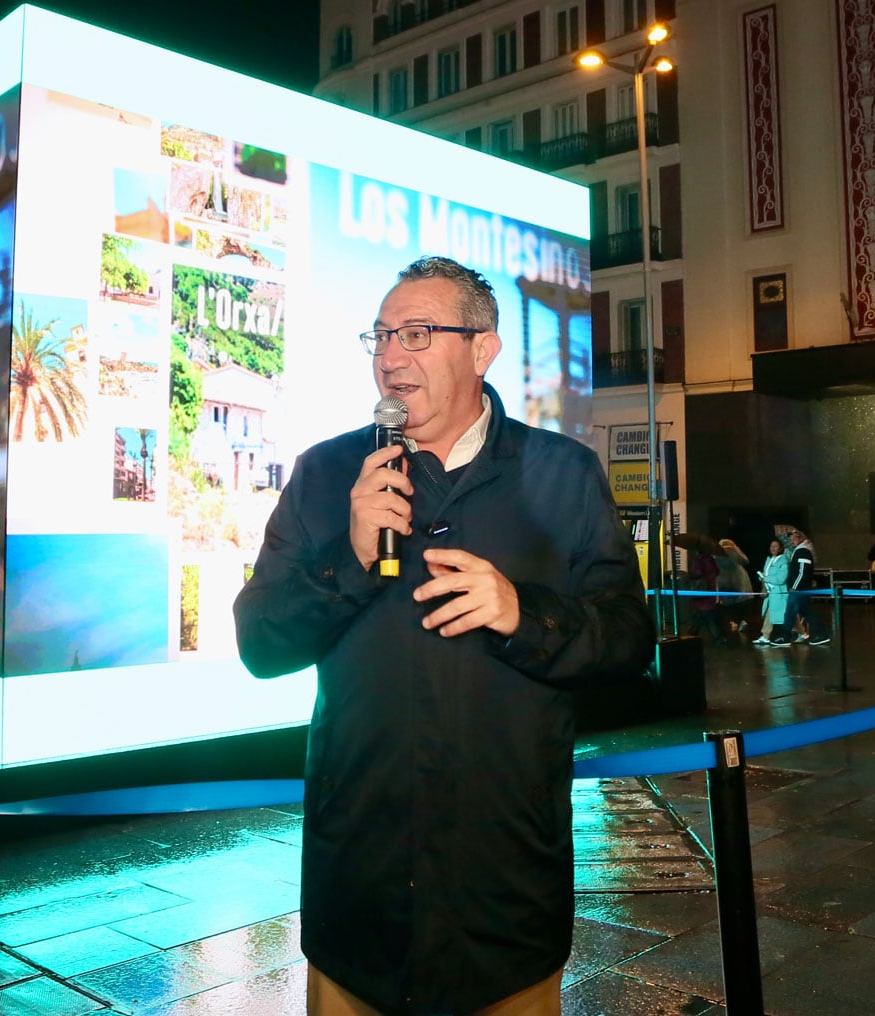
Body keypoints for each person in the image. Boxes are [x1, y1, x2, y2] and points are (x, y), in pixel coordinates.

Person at [233, 256, 650, 1014]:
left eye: (418, 334)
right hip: (359, 894)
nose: (391, 357)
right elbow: (260, 643)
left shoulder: (564, 473)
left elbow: (628, 641)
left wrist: (524, 613)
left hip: (505, 898)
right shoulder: (328, 474)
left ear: (482, 348)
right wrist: (350, 559)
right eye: (382, 336)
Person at [777, 528, 824, 646]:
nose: (791, 540)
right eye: (790, 538)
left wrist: (795, 587)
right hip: (801, 589)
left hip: (799, 589)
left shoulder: (803, 551)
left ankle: (785, 637)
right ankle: (821, 634)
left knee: (789, 613)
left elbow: (802, 571)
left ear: (800, 538)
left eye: (793, 538)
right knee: (808, 613)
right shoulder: (799, 551)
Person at [713, 538, 752, 640]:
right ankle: (736, 621)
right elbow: (745, 561)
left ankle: (734, 621)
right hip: (732, 582)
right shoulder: (721, 555)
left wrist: (735, 549)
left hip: (732, 581)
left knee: (730, 604)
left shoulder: (721, 554)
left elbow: (745, 561)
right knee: (734, 603)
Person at [754, 537, 790, 645]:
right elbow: (767, 575)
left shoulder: (784, 560)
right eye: (771, 546)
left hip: (779, 592)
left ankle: (800, 632)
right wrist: (762, 578)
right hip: (771, 592)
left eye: (776, 546)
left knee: (784, 614)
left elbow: (781, 578)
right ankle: (765, 635)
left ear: (780, 548)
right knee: (771, 613)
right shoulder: (769, 560)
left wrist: (767, 578)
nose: (773, 548)